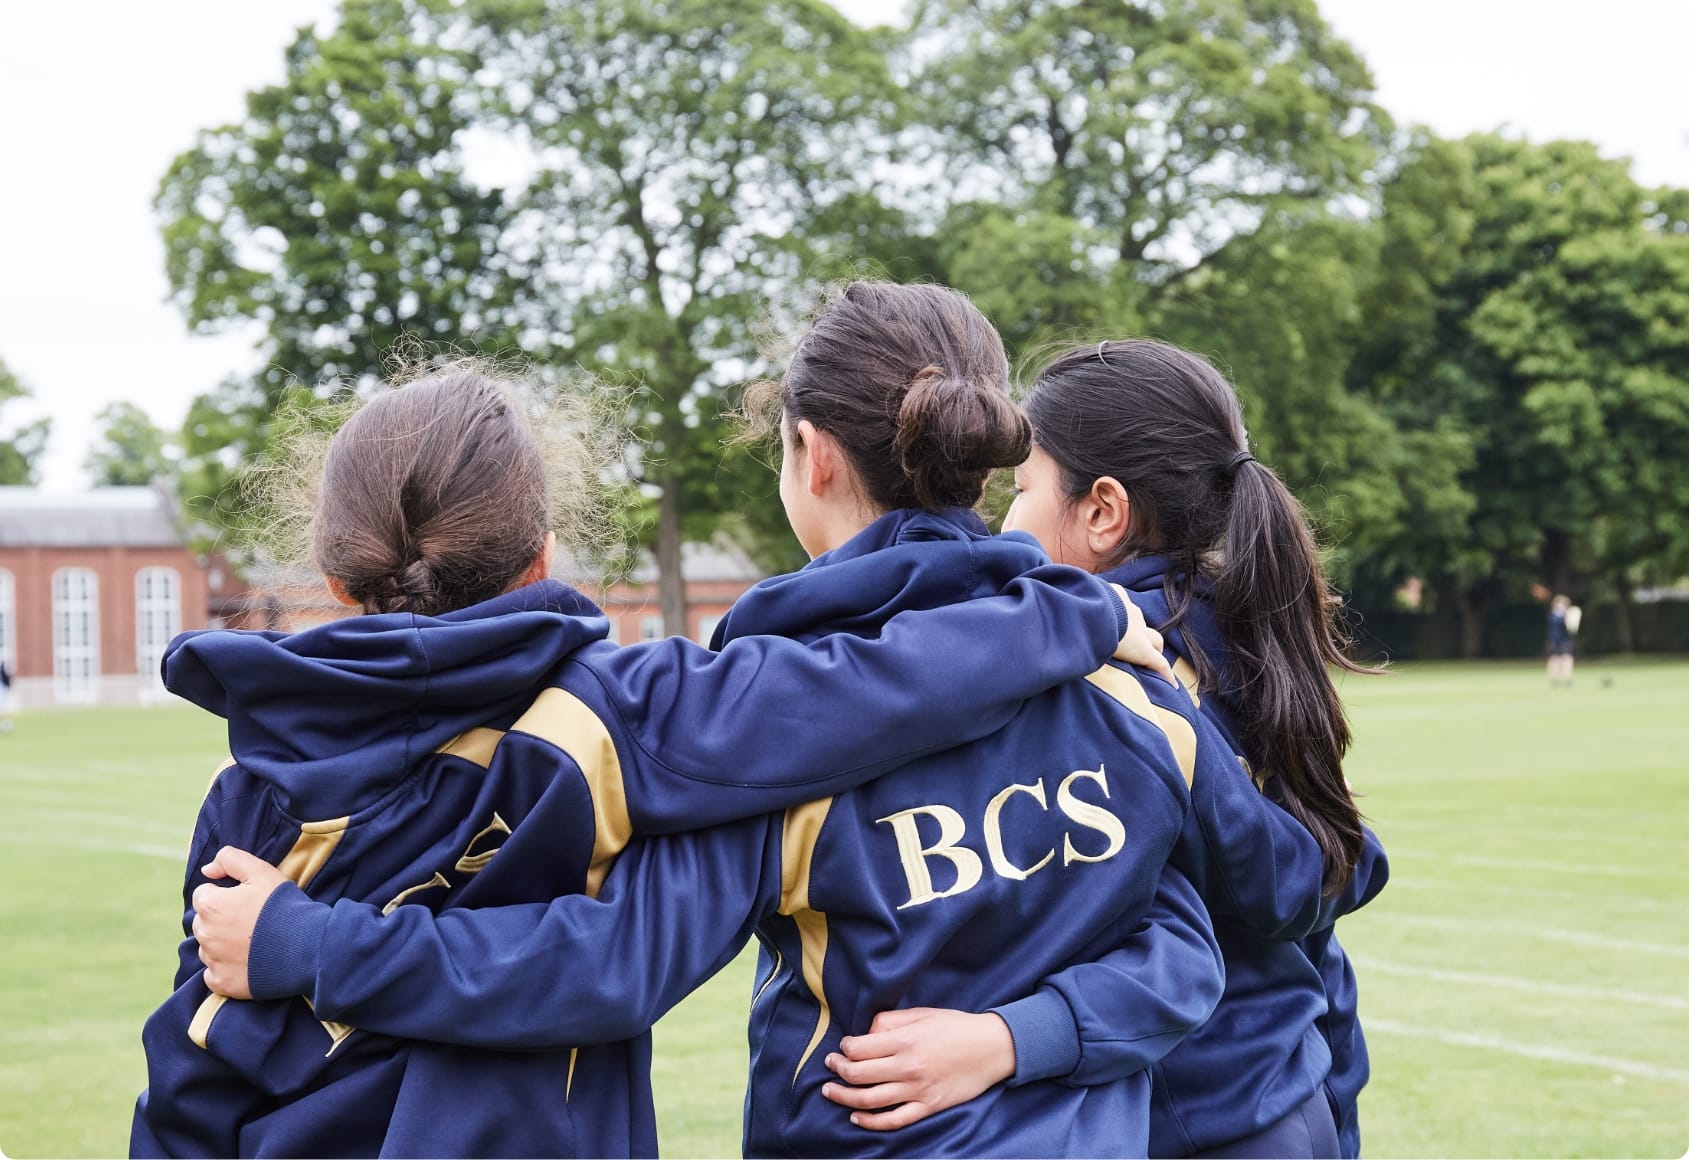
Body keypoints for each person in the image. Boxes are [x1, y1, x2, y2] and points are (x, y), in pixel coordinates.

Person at [186, 283, 1234, 1157]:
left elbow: (612, 963)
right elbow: (1216, 929)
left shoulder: (727, 727)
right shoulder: (1130, 687)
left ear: (809, 453)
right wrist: (1074, 608)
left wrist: (311, 944)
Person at [820, 339, 1390, 1158]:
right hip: (1283, 1108)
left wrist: (1002, 1039)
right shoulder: (1242, 632)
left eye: (1019, 490)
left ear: (1101, 512)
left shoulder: (1104, 683)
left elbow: (1259, 905)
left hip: (1181, 1128)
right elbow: (1320, 942)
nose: (1001, 521)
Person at [1547, 594, 1580, 686]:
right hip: (1554, 640)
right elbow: (1557, 622)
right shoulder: (1553, 615)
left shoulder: (1567, 615)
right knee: (1554, 659)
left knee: (1567, 658)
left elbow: (1571, 628)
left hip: (1565, 640)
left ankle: (1567, 677)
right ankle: (1553, 678)